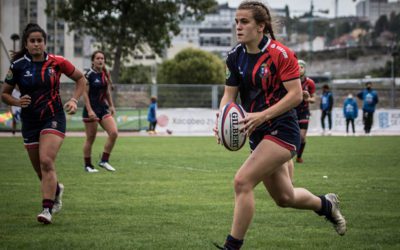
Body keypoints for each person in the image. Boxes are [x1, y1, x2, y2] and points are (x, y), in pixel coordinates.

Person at [213, 2, 346, 249]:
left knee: (242, 182)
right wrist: (222, 119)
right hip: (257, 133)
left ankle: (232, 247)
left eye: (244, 22)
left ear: (260, 26)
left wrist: (262, 115)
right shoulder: (234, 56)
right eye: (236, 22)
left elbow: (295, 95)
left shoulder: (281, 54)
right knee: (285, 197)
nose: (238, 27)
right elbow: (228, 96)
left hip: (283, 130)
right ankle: (326, 205)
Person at [1, 23, 86, 224]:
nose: (37, 44)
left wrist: (74, 99)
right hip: (30, 121)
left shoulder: (57, 62)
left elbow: (81, 79)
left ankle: (47, 209)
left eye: (40, 40)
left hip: (53, 117)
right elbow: (4, 94)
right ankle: (56, 189)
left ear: (45, 43)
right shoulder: (18, 65)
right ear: (26, 44)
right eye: (33, 41)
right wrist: (16, 101)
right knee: (41, 170)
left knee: (46, 161)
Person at [82, 50, 118, 173]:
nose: (100, 60)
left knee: (113, 133)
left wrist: (112, 106)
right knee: (90, 138)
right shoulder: (88, 75)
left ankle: (104, 160)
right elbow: (84, 94)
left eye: (102, 58)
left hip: (102, 108)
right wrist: (89, 110)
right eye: (97, 58)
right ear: (93, 61)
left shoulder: (105, 73)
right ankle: (88, 165)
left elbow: (107, 92)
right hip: (90, 110)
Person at [294, 59, 315, 163]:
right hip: (292, 110)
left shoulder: (310, 82)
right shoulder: (291, 81)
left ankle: (299, 156)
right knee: (292, 135)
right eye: (297, 67)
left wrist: (308, 99)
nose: (299, 69)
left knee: (302, 137)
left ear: (304, 69)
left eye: (301, 67)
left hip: (304, 112)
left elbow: (314, 99)